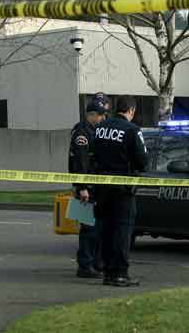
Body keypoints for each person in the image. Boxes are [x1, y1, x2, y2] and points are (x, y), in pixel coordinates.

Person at [93, 95, 148, 287]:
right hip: (122, 189)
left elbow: (93, 155)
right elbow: (143, 161)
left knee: (106, 230)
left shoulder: (100, 128)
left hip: (101, 187)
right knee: (123, 231)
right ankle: (120, 274)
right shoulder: (132, 130)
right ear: (131, 111)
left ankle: (108, 272)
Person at [69, 96, 107, 278]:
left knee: (97, 227)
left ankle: (95, 262)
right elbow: (80, 163)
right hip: (85, 188)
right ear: (91, 115)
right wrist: (82, 187)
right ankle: (84, 266)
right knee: (88, 229)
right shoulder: (82, 134)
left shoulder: (94, 131)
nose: (102, 118)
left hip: (94, 187)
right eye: (100, 115)